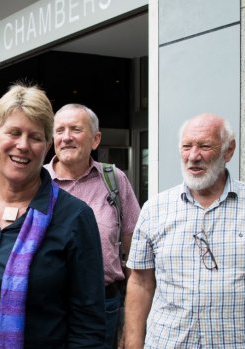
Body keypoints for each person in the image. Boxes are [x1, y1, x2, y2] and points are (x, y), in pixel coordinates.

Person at [0, 83, 106, 348]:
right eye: (14, 132)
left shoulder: (74, 217)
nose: (23, 145)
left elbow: (88, 326)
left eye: (35, 137)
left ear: (47, 146)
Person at [124, 113, 245, 348]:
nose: (193, 156)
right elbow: (140, 282)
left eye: (204, 146)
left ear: (228, 151)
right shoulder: (155, 209)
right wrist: (132, 343)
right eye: (187, 146)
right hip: (168, 342)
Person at [44, 103, 140, 348]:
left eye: (75, 129)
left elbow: (136, 256)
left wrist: (130, 325)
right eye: (60, 130)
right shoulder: (37, 182)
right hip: (47, 305)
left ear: (95, 139)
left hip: (104, 306)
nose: (66, 137)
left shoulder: (114, 180)